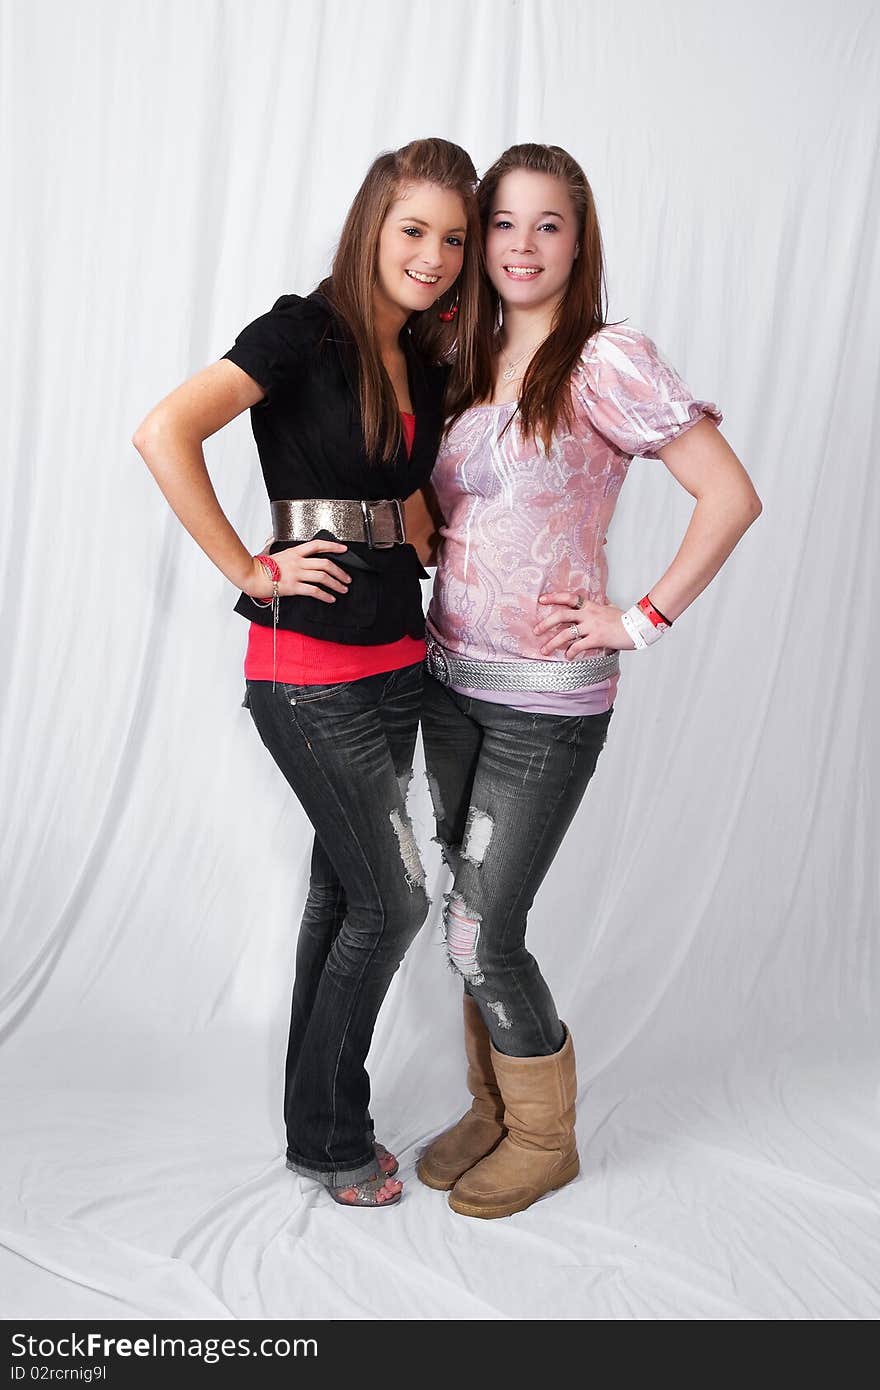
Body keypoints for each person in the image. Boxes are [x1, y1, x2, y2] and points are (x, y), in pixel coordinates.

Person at [132, 138, 482, 1208]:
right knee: (396, 899)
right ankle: (332, 1134)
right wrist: (249, 561)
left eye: (453, 238)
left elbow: (407, 494)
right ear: (373, 223)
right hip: (306, 669)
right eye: (414, 229)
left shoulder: (425, 353)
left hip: (397, 660)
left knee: (346, 898)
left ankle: (314, 1124)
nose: (433, 255)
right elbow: (164, 430)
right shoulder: (302, 329)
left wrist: (444, 540)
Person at [417, 143, 763, 1220]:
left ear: (580, 237)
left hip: (543, 702)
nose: (522, 246)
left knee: (485, 926)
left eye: (547, 224)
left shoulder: (606, 359)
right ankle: (492, 1107)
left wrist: (637, 618)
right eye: (505, 224)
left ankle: (546, 1135)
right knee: (455, 915)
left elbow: (730, 496)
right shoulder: (459, 355)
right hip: (447, 681)